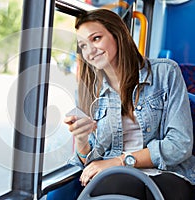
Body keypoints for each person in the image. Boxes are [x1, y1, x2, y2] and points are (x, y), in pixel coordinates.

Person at [64, 9, 195, 200]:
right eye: (83, 45)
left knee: (170, 192)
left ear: (117, 35)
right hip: (115, 175)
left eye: (96, 39)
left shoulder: (166, 72)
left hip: (168, 171)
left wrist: (120, 161)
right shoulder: (88, 90)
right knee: (116, 187)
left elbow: (180, 144)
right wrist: (82, 140)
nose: (90, 51)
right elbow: (89, 163)